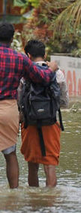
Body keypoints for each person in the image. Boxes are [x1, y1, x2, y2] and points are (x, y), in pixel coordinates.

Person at [0, 22, 59, 190]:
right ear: (12, 38)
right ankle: (13, 195)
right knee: (10, 155)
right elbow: (41, 78)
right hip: (10, 111)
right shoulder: (20, 58)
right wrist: (52, 69)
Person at [18, 40, 69, 188]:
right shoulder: (57, 72)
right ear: (44, 54)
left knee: (32, 166)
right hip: (50, 122)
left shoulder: (25, 74)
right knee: (50, 165)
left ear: (28, 55)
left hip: (29, 123)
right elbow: (64, 101)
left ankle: (34, 202)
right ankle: (49, 201)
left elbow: (20, 98)